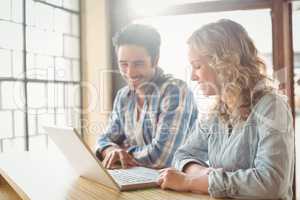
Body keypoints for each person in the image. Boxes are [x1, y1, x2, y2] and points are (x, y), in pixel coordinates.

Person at [158, 19, 294, 200]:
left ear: (225, 64)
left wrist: (191, 182)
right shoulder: (217, 112)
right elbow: (183, 154)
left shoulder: (272, 106)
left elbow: (271, 184)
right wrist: (200, 174)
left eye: (197, 66)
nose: (192, 76)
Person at [95, 24, 198, 169]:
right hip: (140, 179)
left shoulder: (175, 90)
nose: (130, 73)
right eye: (124, 64)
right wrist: (111, 150)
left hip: (178, 185)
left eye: (138, 64)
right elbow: (103, 139)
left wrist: (123, 153)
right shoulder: (123, 96)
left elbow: (161, 158)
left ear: (155, 60)